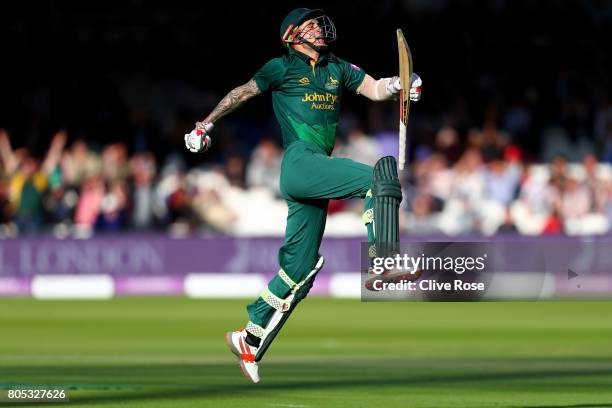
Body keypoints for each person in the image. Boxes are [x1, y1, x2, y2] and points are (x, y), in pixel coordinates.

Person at [185, 8, 422, 383]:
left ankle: (249, 337)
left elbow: (374, 88)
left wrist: (398, 86)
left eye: (318, 22)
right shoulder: (281, 67)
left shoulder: (336, 67)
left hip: (314, 171)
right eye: (310, 24)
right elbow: (242, 92)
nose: (319, 27)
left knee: (301, 268)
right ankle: (384, 262)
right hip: (299, 162)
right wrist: (205, 124)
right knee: (381, 176)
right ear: (292, 36)